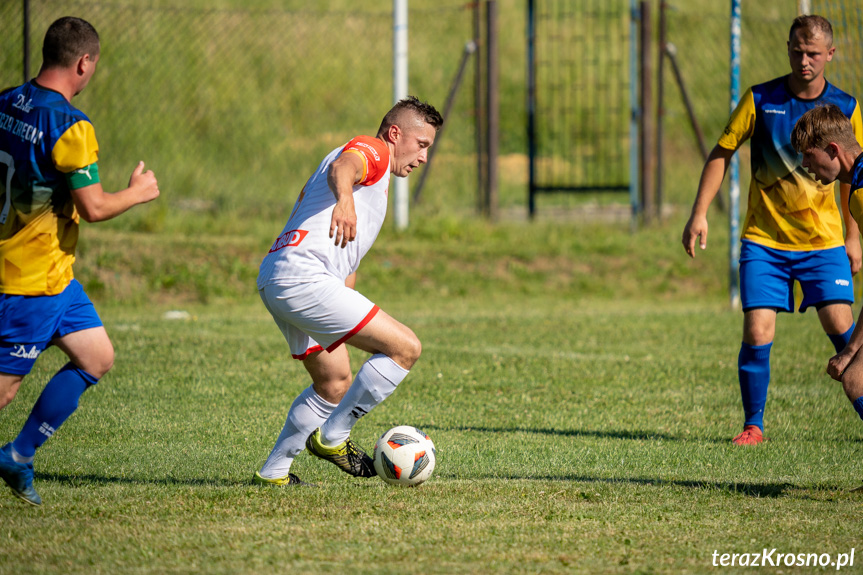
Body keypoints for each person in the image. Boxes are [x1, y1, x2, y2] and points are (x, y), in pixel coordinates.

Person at [681, 15, 863, 445]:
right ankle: (753, 424)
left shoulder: (847, 108)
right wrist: (699, 212)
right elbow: (721, 151)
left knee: (847, 337)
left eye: (814, 53)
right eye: (797, 51)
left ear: (830, 55)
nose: (804, 61)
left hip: (824, 242)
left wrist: (852, 239)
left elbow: (851, 176)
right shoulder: (762, 99)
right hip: (766, 241)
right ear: (787, 49)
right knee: (758, 329)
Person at [0, 17, 160, 505]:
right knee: (4, 390)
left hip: (53, 276)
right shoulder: (71, 125)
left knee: (97, 356)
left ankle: (17, 456)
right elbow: (92, 208)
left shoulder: (6, 101)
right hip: (30, 280)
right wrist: (136, 193)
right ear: (84, 62)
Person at [253, 96, 442, 485]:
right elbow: (345, 167)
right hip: (303, 278)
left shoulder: (377, 184)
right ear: (395, 134)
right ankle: (333, 437)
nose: (423, 157)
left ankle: (274, 473)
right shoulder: (372, 151)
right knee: (406, 348)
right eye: (421, 145)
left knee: (333, 381)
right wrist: (345, 200)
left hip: (278, 275)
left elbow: (347, 259)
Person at [791, 104, 863, 425]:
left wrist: (850, 351)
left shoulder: (860, 194)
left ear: (833, 150)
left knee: (855, 377)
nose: (805, 165)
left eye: (809, 155)